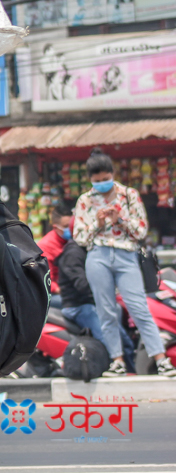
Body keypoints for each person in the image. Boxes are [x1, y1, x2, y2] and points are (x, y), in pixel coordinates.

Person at [74, 148, 175, 378]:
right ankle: (117, 361)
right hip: (97, 256)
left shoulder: (129, 195)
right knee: (106, 311)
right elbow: (80, 237)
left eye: (105, 179)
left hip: (126, 256)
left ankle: (161, 360)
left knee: (139, 308)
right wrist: (98, 224)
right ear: (91, 179)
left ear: (113, 173)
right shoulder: (85, 200)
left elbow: (141, 231)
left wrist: (120, 219)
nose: (102, 184)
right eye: (97, 181)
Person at [57, 222, 136, 368]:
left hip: (96, 303)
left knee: (124, 339)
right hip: (79, 306)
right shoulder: (73, 253)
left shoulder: (93, 249)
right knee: (107, 339)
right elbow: (82, 285)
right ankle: (114, 366)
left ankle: (131, 370)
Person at [37, 204, 72, 296]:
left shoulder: (75, 240)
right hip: (56, 293)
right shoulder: (46, 246)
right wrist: (63, 292)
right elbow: (46, 280)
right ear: (55, 227)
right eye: (66, 226)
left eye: (72, 225)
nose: (70, 229)